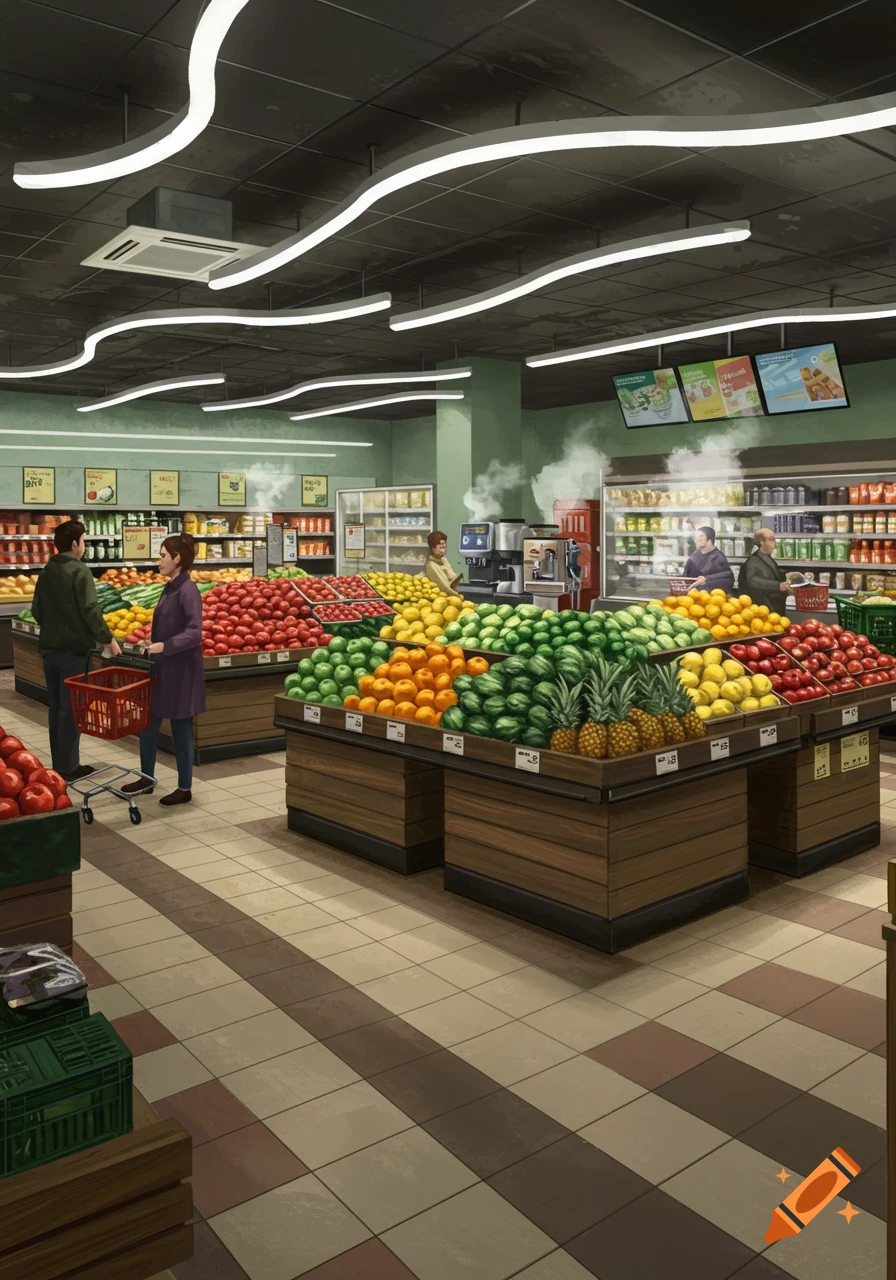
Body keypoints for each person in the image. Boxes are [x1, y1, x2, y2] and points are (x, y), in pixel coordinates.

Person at [32, 519, 121, 782]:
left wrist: (54, 628)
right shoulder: (79, 571)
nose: (84, 546)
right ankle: (69, 767)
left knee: (56, 708)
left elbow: (37, 609)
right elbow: (90, 609)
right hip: (74, 652)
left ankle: (60, 764)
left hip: (50, 651)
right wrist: (107, 639)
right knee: (72, 710)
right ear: (74, 544)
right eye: (83, 541)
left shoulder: (47, 570)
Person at [123, 534, 205, 806]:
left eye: (162, 555)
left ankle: (185, 788)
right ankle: (146, 778)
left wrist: (165, 645)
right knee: (148, 725)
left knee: (181, 729)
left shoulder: (188, 589)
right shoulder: (169, 587)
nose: (159, 561)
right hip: (162, 669)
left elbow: (194, 633)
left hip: (181, 671)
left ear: (177, 558)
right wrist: (154, 643)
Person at [738, 528, 791, 612]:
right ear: (761, 542)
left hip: (772, 608)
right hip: (761, 611)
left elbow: (772, 573)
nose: (775, 543)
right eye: (771, 540)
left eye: (774, 539)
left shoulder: (766, 558)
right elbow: (753, 581)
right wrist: (777, 586)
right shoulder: (753, 561)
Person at [683, 526, 734, 593]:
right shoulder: (694, 556)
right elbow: (686, 577)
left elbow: (727, 579)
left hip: (712, 598)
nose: (697, 539)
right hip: (692, 597)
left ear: (709, 538)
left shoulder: (718, 557)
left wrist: (707, 580)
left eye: (701, 536)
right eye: (696, 536)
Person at [424, 530, 463, 594]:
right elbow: (444, 587)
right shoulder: (431, 565)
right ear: (432, 547)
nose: (442, 546)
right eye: (439, 544)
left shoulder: (444, 560)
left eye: (443, 543)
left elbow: (452, 577)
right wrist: (458, 596)